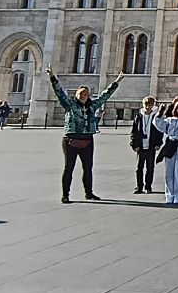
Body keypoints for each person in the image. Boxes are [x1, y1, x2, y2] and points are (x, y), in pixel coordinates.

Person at [47, 65, 124, 203]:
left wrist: (117, 81)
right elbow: (59, 92)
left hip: (87, 139)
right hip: (71, 139)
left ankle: (89, 193)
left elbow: (105, 95)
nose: (83, 96)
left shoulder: (92, 105)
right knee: (69, 168)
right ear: (76, 95)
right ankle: (65, 194)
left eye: (86, 94)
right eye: (81, 93)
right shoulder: (70, 105)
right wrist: (52, 76)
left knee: (88, 168)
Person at [154, 100, 178, 204]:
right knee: (169, 173)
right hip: (170, 147)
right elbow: (159, 124)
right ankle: (169, 195)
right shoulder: (170, 120)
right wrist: (160, 112)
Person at [130, 97, 163, 194]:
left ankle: (148, 186)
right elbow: (134, 131)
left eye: (149, 104)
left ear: (153, 105)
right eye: (146, 104)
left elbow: (159, 131)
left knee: (150, 167)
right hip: (140, 146)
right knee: (139, 167)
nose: (147, 106)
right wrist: (133, 144)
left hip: (151, 146)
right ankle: (139, 186)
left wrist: (158, 143)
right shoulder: (139, 116)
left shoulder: (155, 116)